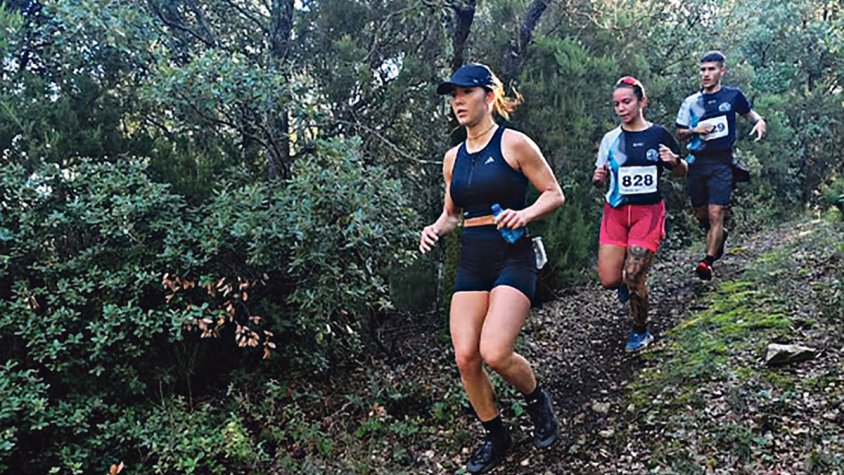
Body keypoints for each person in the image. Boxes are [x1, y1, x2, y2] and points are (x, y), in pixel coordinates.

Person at [419, 63, 564, 474]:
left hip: (512, 255)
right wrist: (434, 228)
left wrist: (525, 213)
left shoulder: (514, 143)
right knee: (466, 356)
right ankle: (496, 436)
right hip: (473, 260)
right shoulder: (453, 158)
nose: (457, 102)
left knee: (495, 352)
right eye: (453, 96)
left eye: (465, 93)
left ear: (488, 95)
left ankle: (538, 401)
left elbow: (554, 194)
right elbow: (452, 215)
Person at [592, 76, 687, 352]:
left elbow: (682, 172)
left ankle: (640, 331)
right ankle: (632, 287)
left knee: (634, 276)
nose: (621, 108)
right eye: (617, 104)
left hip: (648, 213)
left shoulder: (658, 135)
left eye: (627, 102)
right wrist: (598, 178)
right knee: (610, 279)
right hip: (616, 212)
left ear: (642, 102)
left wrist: (675, 162)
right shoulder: (611, 139)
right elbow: (601, 178)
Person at [675, 50, 766, 280]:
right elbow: (680, 132)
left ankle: (707, 262)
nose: (706, 74)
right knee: (701, 214)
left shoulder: (732, 96)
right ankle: (719, 235)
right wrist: (696, 130)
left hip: (722, 163)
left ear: (721, 71)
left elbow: (749, 114)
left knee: (717, 211)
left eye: (711, 69)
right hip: (697, 163)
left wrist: (760, 121)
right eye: (703, 69)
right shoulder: (691, 102)